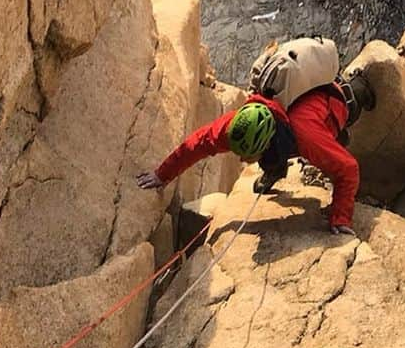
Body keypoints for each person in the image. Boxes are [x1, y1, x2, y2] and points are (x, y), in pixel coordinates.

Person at [136, 74, 374, 236]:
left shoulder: (307, 137)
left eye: (248, 155)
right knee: (281, 155)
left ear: (268, 140)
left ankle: (357, 87)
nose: (241, 161)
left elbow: (348, 169)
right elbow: (193, 146)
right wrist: (161, 175)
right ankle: (276, 169)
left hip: (328, 105)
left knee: (343, 120)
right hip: (290, 129)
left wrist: (340, 218)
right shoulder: (234, 127)